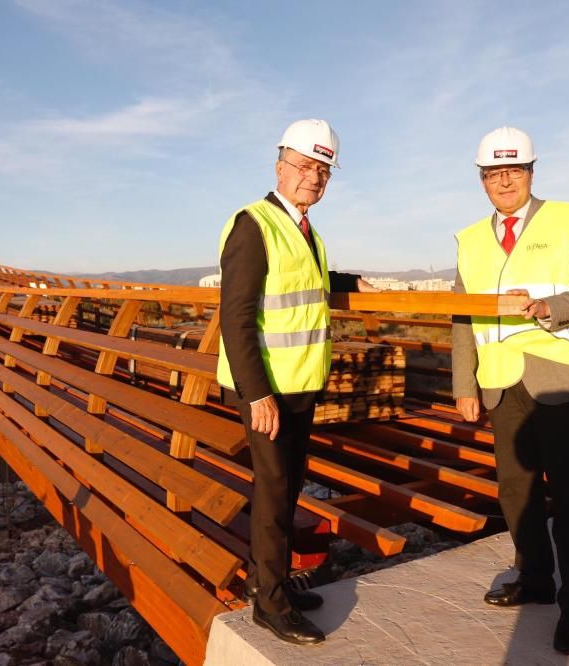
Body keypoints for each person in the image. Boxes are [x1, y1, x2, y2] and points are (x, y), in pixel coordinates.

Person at [217, 118, 377, 646]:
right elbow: (236, 315)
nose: (314, 177)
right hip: (268, 390)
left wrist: (352, 283)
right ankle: (270, 605)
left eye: (324, 170)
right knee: (273, 492)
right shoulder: (253, 224)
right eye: (306, 166)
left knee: (287, 492)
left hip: (299, 385)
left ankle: (275, 581)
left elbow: (307, 283)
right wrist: (256, 392)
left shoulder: (304, 230)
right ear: (280, 164)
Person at [451, 126, 569, 656]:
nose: (504, 182)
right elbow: (462, 316)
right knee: (516, 493)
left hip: (564, 376)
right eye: (494, 174)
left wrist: (545, 307)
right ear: (482, 180)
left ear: (531, 173)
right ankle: (536, 579)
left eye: (512, 171)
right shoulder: (471, 239)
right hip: (501, 382)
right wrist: (464, 383)